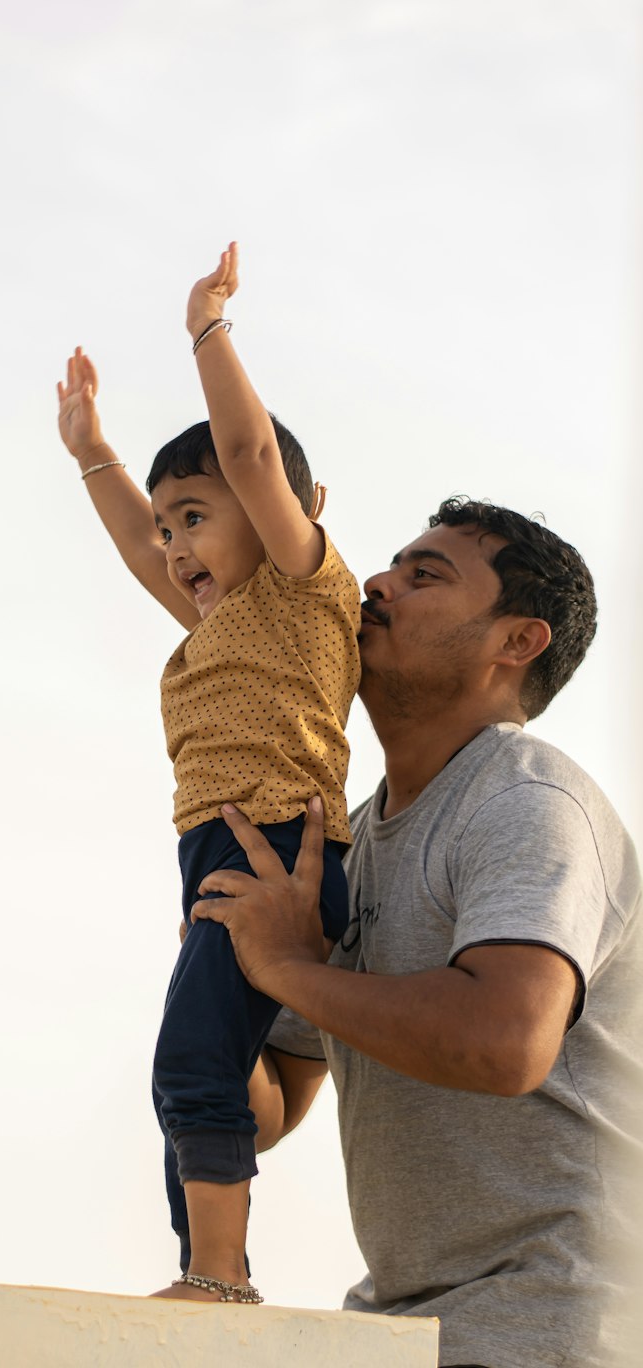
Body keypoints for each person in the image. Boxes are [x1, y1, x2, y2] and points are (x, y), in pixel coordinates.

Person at [192, 499, 642, 1367]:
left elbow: (504, 1042)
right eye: (394, 565)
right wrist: (223, 962)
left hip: (553, 1327)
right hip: (405, 1335)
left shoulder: (525, 802)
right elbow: (273, 1106)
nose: (375, 584)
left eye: (425, 575)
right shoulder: (352, 844)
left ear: (517, 642)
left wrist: (283, 963)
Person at [56, 244, 361, 1303]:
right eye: (169, 523)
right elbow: (141, 553)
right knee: (200, 1092)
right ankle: (208, 1273)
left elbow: (249, 453)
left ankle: (220, 1278)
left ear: (281, 502)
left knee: (185, 1067)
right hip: (220, 864)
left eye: (199, 515)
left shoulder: (299, 586)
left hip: (277, 850)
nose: (176, 545)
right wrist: (92, 453)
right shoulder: (211, 626)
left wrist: (206, 329)